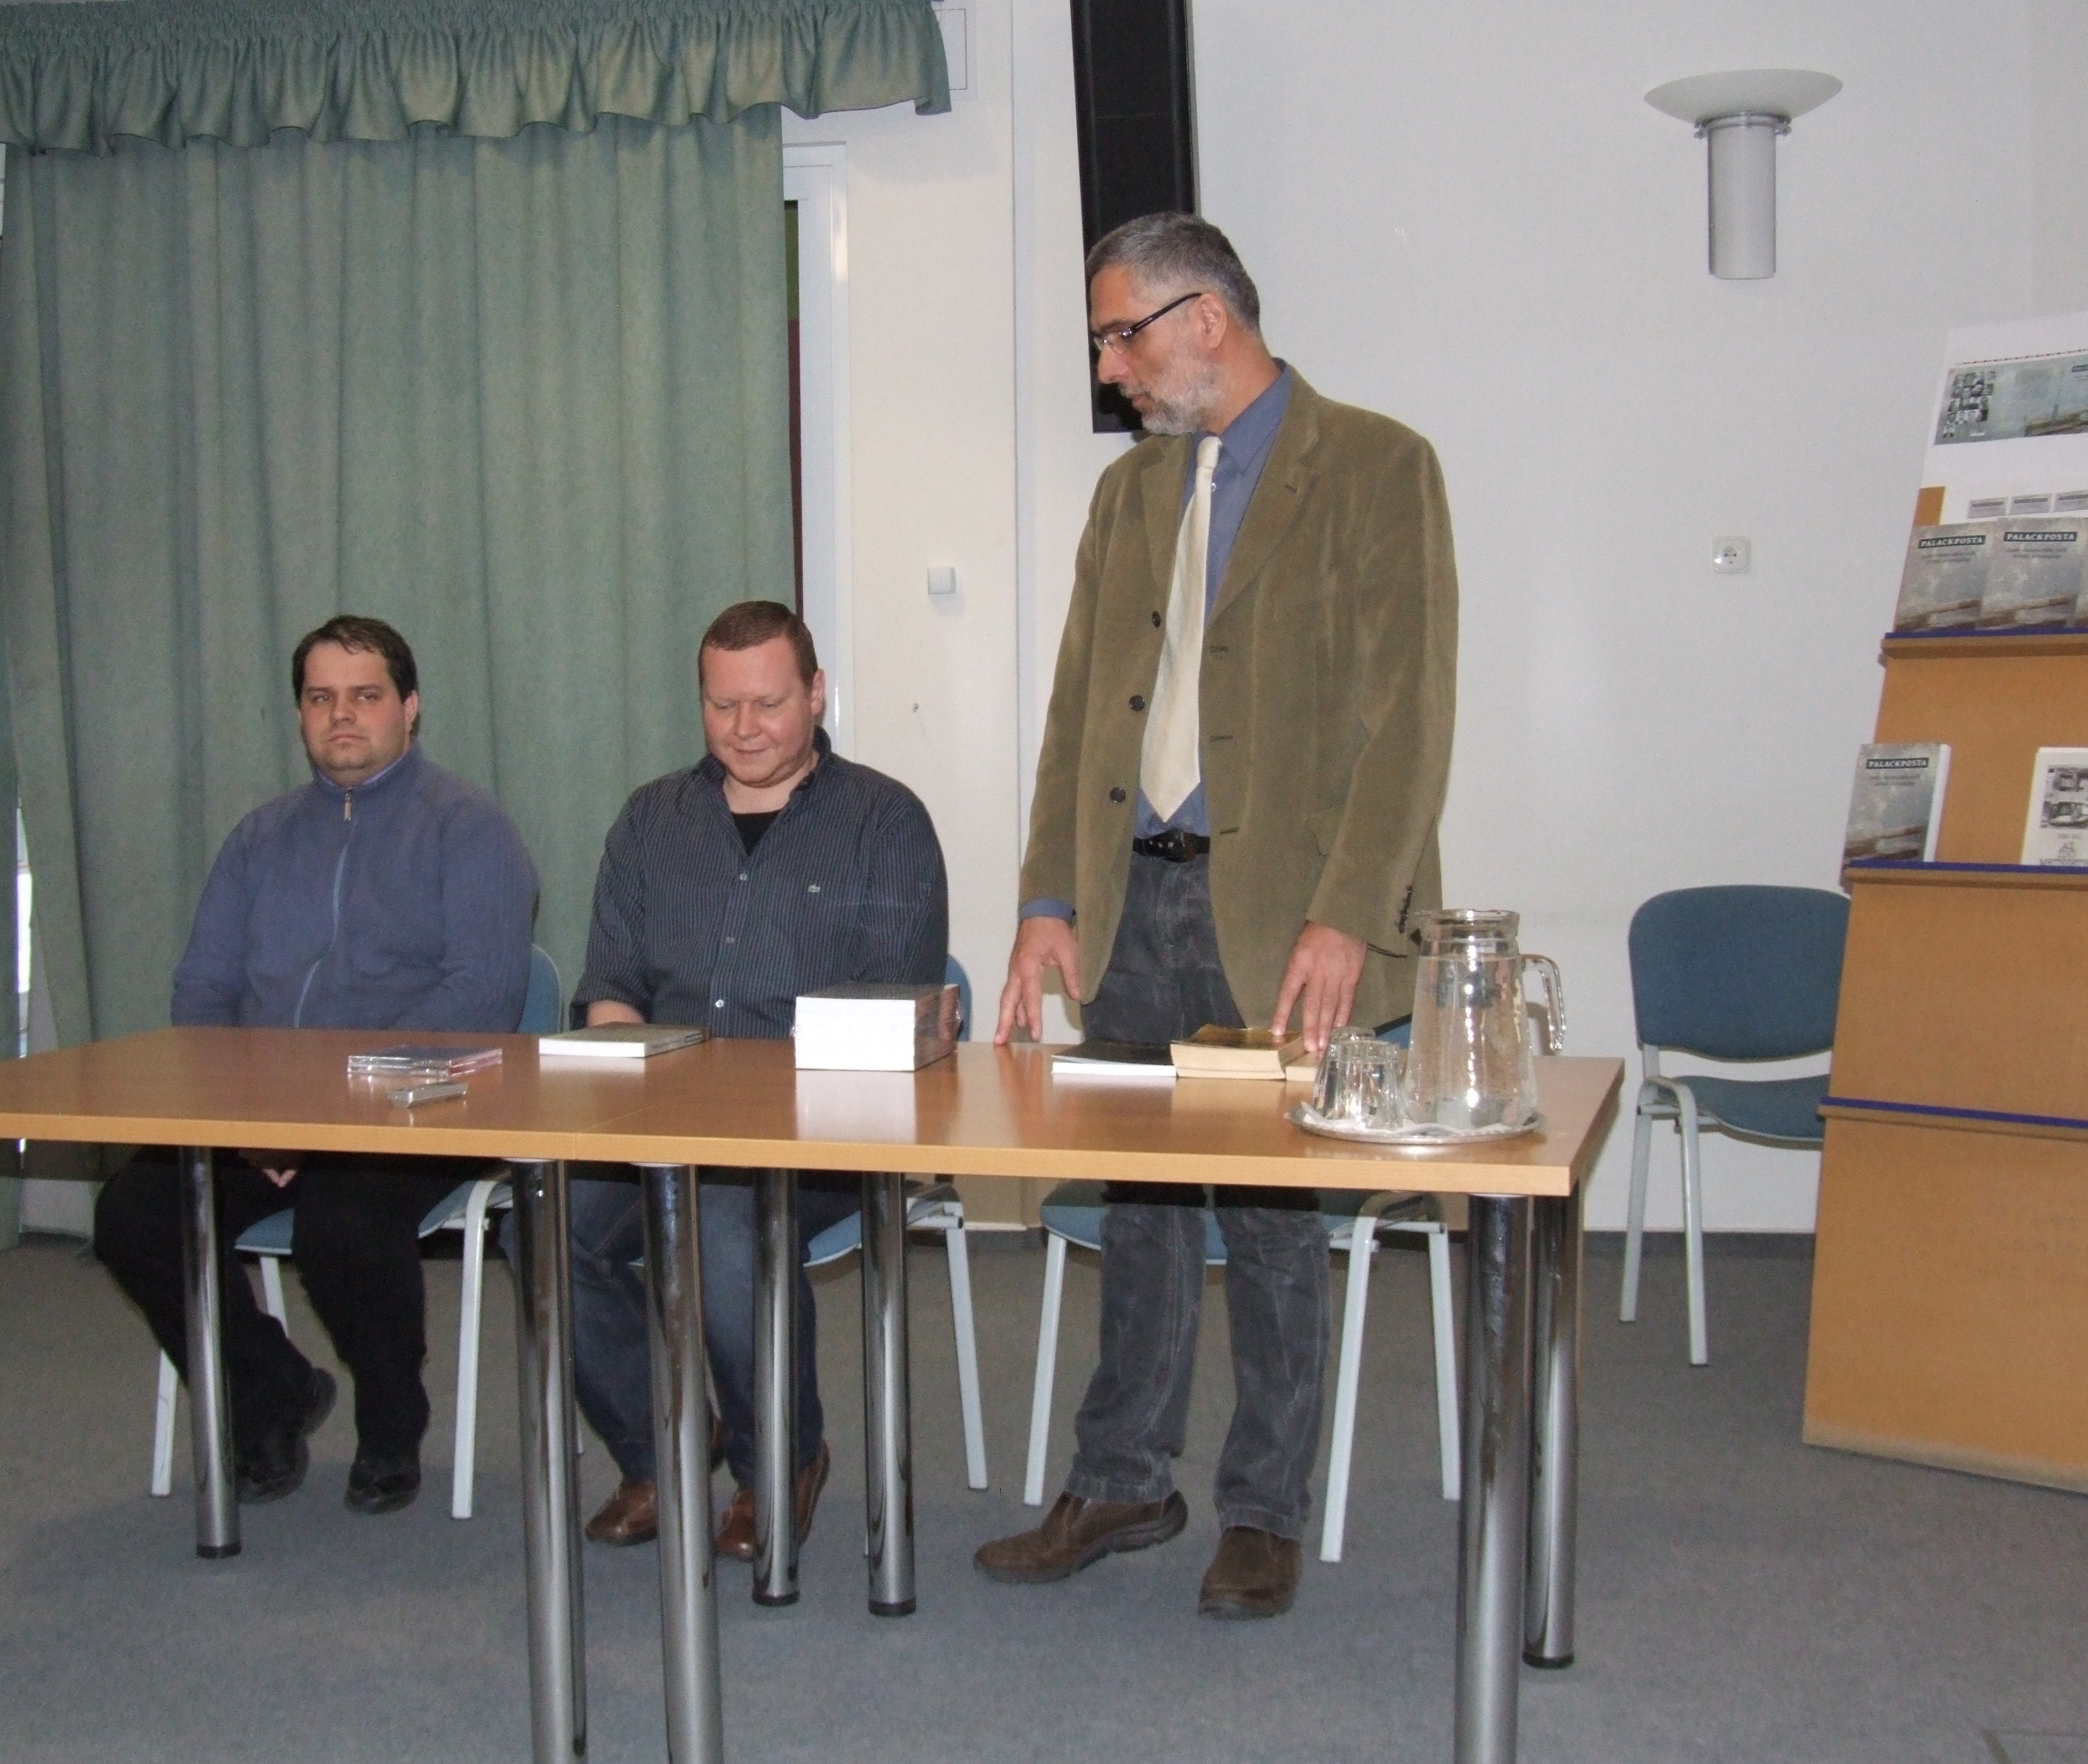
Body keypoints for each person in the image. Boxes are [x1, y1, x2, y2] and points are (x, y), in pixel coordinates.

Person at [977, 213, 1456, 1618]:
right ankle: (1122, 1478)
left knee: (1270, 1216)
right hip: (1135, 896)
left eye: (1121, 334)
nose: (1110, 367)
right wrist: (1048, 896)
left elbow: (1408, 718)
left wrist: (1348, 914)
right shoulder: (1128, 497)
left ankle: (1263, 1508)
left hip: (1287, 913)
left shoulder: (1375, 466)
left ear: (1206, 318)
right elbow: (1078, 711)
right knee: (1137, 1204)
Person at [93, 615, 538, 1516]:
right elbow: (203, 990)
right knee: (135, 1213)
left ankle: (391, 1419)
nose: (342, 715)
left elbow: (480, 1000)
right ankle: (269, 1391)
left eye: (365, 696)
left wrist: (326, 1107)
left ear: (409, 708)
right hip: (262, 1116)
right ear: (300, 713)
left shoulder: (470, 830)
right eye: (320, 698)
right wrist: (243, 1114)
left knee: (341, 1222)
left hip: (422, 1106)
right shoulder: (258, 839)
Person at [566, 600, 947, 1559]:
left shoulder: (884, 822)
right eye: (721, 705)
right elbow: (610, 987)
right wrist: (623, 1086)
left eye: (768, 704)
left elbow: (892, 1016)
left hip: (827, 1130)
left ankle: (780, 1461)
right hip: (665, 1119)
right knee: (549, 1218)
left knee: (727, 1223)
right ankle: (658, 1450)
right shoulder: (651, 820)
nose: (744, 728)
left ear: (816, 695)